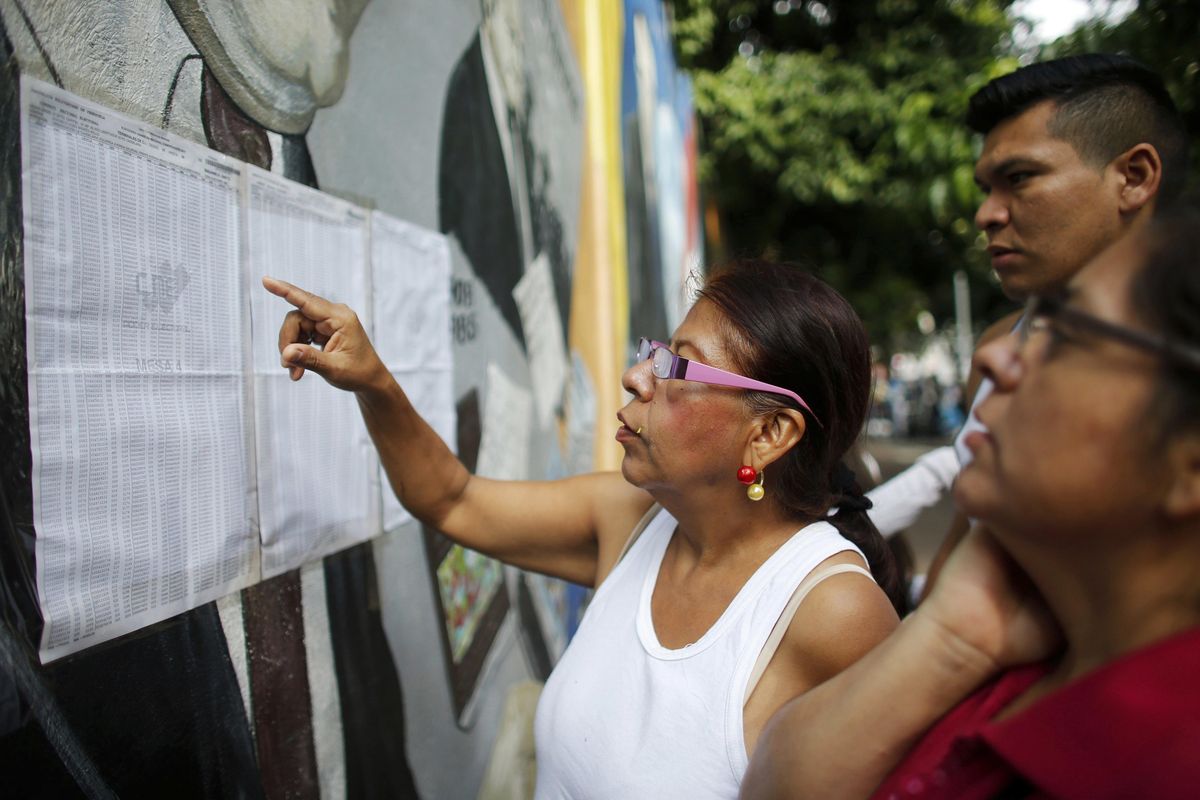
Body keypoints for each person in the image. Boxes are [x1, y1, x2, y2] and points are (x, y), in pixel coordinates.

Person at [263, 258, 903, 798]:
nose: (636, 376)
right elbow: (453, 500)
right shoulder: (633, 519)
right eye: (656, 353)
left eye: (678, 367)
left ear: (768, 434)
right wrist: (372, 380)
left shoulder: (833, 614)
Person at [741, 204, 1200, 799]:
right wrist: (954, 633)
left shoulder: (1163, 761)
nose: (992, 358)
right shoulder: (1013, 648)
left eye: (1066, 335)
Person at [865, 53, 1189, 588]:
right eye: (986, 188)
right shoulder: (997, 350)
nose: (987, 214)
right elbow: (965, 552)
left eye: (1019, 178)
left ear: (1134, 177)